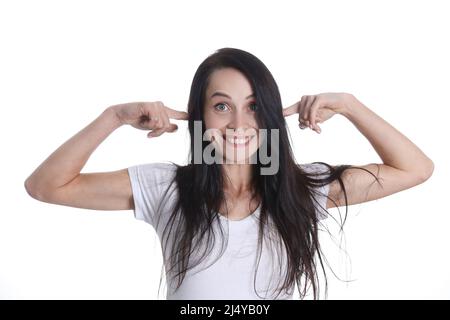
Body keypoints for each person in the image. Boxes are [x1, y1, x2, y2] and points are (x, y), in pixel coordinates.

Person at [24, 47, 434, 300]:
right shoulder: (168, 188)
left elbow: (415, 169)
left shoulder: (303, 189)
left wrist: (349, 104)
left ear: (271, 114)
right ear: (199, 116)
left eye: (254, 105)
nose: (239, 122)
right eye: (221, 106)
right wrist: (113, 116)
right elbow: (46, 186)